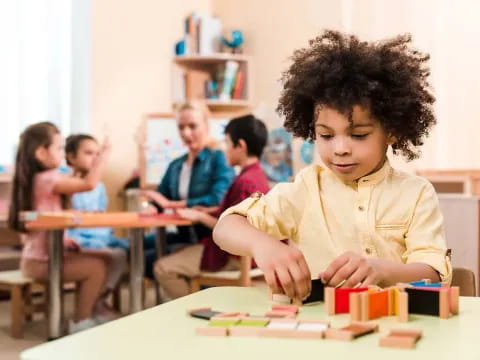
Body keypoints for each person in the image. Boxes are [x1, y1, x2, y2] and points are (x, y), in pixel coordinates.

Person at [213, 30, 452, 302]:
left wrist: (381, 270)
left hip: (397, 325)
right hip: (322, 328)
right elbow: (225, 228)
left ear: (392, 130)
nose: (340, 148)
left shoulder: (416, 193)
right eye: (326, 135)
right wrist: (263, 245)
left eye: (359, 134)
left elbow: (433, 274)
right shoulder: (306, 187)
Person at [8, 122, 112, 333]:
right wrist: (104, 156)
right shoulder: (47, 178)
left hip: (37, 258)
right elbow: (89, 184)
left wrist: (66, 240)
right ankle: (81, 321)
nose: (63, 153)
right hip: (42, 262)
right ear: (41, 153)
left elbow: (51, 218)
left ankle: (87, 314)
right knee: (96, 268)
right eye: (59, 148)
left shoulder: (40, 179)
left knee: (103, 259)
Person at [153, 115, 270, 299]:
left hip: (235, 257)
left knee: (163, 267)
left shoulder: (245, 182)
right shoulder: (256, 176)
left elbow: (237, 230)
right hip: (244, 254)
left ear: (240, 146)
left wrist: (200, 217)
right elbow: (234, 213)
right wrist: (206, 211)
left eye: (227, 143)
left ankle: (192, 313)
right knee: (177, 251)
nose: (225, 150)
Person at [140, 101, 235, 278]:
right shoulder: (176, 165)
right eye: (181, 127)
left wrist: (172, 204)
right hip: (185, 235)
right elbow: (161, 197)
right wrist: (153, 207)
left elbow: (218, 198)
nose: (186, 133)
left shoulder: (218, 158)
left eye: (192, 126)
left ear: (206, 125)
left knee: (147, 259)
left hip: (209, 239)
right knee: (134, 245)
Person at [65, 134, 128, 316]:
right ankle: (94, 303)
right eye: (88, 153)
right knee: (111, 256)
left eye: (98, 154)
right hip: (78, 240)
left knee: (121, 253)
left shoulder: (99, 187)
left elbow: (101, 215)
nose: (95, 158)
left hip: (101, 237)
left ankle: (99, 298)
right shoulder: (66, 184)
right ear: (71, 157)